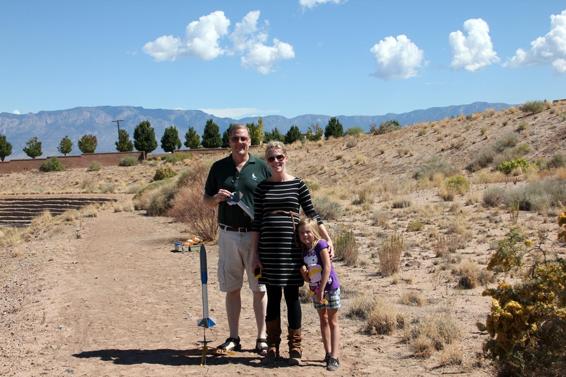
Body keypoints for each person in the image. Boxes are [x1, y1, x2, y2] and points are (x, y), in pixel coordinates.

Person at [251, 141, 333, 366]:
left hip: (292, 249)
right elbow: (256, 223)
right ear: (266, 162)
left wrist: (326, 238)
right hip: (269, 250)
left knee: (292, 297)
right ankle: (273, 345)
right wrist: (255, 255)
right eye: (271, 158)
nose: (276, 161)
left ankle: (295, 346)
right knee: (273, 296)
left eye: (279, 157)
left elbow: (312, 213)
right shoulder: (262, 188)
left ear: (286, 157)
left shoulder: (298, 184)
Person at [203, 124, 270, 355]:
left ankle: (262, 338)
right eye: (234, 138)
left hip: (255, 237)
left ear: (250, 141)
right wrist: (216, 198)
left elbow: (272, 198)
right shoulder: (219, 168)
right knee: (232, 288)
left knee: (259, 288)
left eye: (243, 138)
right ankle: (234, 337)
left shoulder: (261, 167)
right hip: (228, 235)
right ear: (228, 141)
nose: (239, 143)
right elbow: (206, 200)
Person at [297, 218, 341, 372]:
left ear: (314, 232)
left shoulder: (321, 245)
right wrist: (304, 274)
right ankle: (328, 353)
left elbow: (327, 267)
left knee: (333, 321)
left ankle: (335, 356)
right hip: (316, 290)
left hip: (329, 287)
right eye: (302, 233)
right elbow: (310, 277)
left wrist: (322, 288)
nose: (305, 235)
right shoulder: (304, 252)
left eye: (308, 231)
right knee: (323, 319)